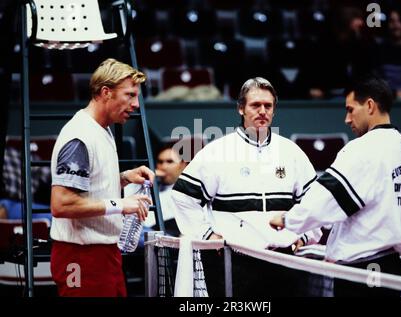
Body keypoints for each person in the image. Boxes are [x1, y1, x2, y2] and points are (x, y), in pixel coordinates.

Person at [270, 75, 401, 297]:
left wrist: (287, 220)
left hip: (364, 271)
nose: (347, 119)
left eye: (351, 109)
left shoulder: (363, 149)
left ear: (370, 106)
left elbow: (326, 201)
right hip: (392, 268)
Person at [172, 77, 321, 296]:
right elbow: (183, 197)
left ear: (274, 110)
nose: (262, 111)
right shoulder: (217, 152)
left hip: (286, 264)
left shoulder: (292, 152)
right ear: (241, 109)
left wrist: (305, 236)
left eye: (268, 106)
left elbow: (316, 202)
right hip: (234, 265)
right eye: (255, 105)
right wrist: (208, 235)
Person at [49, 58, 154, 297]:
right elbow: (62, 204)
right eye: (129, 95)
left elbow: (88, 186)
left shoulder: (101, 129)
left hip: (104, 253)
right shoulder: (79, 136)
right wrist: (120, 205)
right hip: (80, 256)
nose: (136, 104)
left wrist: (124, 178)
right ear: (106, 92)